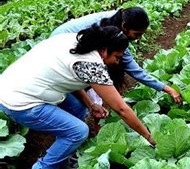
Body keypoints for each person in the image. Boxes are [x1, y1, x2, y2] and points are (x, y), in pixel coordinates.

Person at [0, 25, 157, 169]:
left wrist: (91, 104)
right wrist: (148, 136)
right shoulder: (91, 64)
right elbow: (121, 108)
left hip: (21, 84)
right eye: (117, 57)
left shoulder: (80, 41)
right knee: (78, 131)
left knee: (78, 108)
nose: (117, 62)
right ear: (104, 50)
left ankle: (63, 157)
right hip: (20, 101)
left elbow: (67, 75)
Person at [51, 7, 182, 103]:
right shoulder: (107, 30)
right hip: (59, 44)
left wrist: (164, 88)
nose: (137, 39)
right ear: (125, 26)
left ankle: (90, 102)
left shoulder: (119, 21)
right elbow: (135, 70)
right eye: (136, 34)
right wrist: (167, 89)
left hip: (66, 41)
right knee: (80, 86)